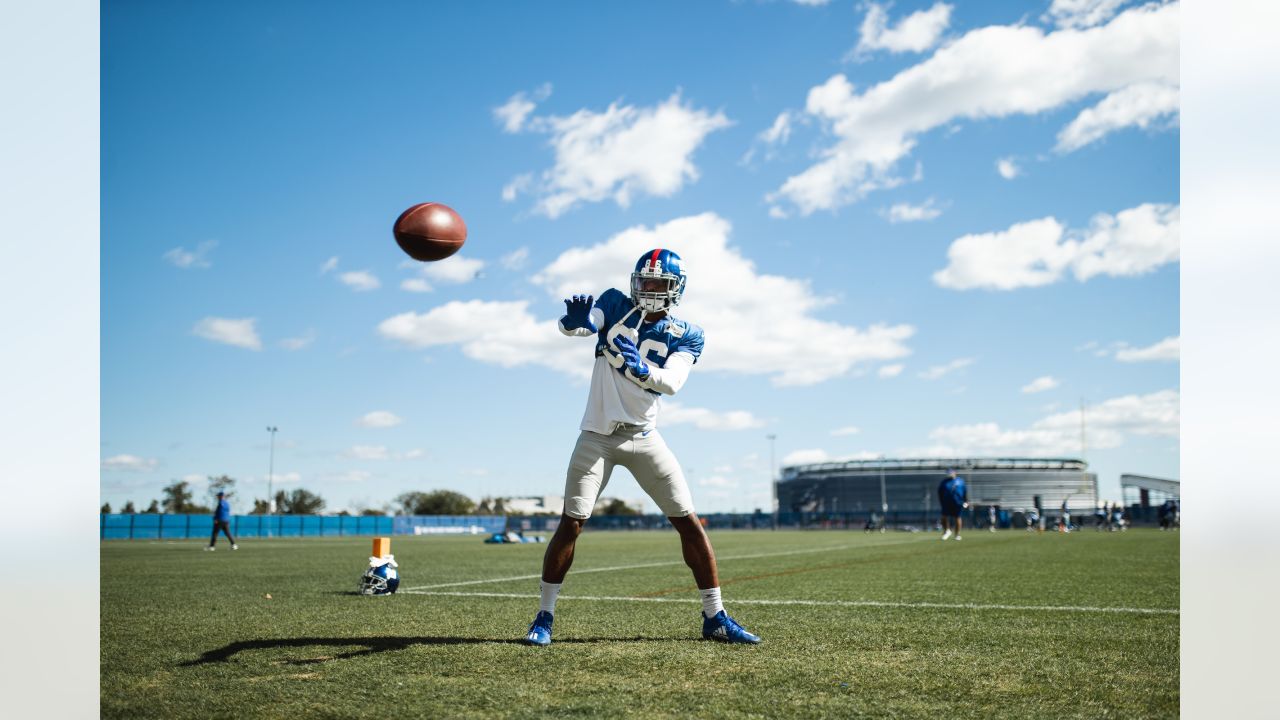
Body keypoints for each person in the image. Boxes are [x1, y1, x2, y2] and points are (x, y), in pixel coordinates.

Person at [523, 249, 760, 647]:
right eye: (644, 282)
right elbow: (579, 328)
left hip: (645, 437)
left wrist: (641, 368)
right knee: (571, 522)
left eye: (658, 285)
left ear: (675, 290)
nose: (649, 290)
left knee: (688, 520)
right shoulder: (615, 302)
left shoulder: (688, 333)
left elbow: (673, 382)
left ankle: (715, 616)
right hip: (597, 435)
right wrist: (573, 321)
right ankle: (544, 616)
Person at [937, 468, 968, 541]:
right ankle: (946, 531)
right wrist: (942, 502)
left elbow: (965, 491)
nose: (949, 474)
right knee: (944, 517)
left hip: (958, 502)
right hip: (946, 502)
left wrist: (966, 501)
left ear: (955, 473)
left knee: (957, 517)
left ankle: (957, 534)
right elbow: (940, 493)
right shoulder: (944, 482)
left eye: (951, 472)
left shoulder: (960, 481)